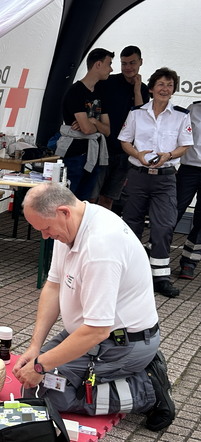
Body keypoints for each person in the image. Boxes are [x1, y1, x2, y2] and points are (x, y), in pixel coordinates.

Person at [13, 182, 174, 432]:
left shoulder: (100, 247)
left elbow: (98, 330)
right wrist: (35, 350)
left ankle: (148, 389)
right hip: (93, 336)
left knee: (48, 394)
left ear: (64, 211)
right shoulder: (71, 225)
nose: (45, 236)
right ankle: (132, 374)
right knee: (32, 385)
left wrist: (40, 365)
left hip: (120, 344)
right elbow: (53, 286)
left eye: (45, 229)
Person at [118, 67, 193, 297]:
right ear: (151, 88)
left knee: (163, 227)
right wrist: (139, 154)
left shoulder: (181, 115)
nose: (165, 89)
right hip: (138, 176)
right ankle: (127, 276)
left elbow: (185, 145)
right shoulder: (136, 113)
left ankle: (160, 278)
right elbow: (124, 141)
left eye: (169, 85)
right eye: (161, 84)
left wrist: (168, 156)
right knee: (131, 225)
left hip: (165, 179)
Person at [91, 46, 149, 210]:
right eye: (124, 63)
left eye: (132, 63)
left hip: (124, 152)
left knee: (108, 198)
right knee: (91, 196)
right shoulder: (107, 82)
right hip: (102, 149)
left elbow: (141, 117)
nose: (128, 67)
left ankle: (102, 233)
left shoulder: (143, 89)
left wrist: (137, 90)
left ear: (140, 62)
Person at [56, 48, 112, 201]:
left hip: (94, 155)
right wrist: (93, 125)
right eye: (109, 64)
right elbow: (86, 129)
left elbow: (107, 130)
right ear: (98, 64)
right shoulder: (76, 91)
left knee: (83, 202)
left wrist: (93, 121)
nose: (111, 69)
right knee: (66, 200)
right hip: (74, 154)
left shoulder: (100, 93)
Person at [175, 101, 201, 280]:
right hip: (189, 169)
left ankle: (189, 262)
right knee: (172, 212)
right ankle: (155, 255)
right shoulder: (193, 108)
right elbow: (177, 136)